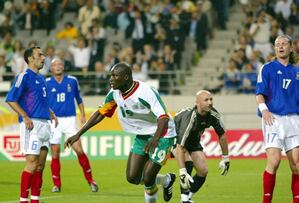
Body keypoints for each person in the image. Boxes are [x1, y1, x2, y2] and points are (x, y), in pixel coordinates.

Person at [65, 62, 176, 203]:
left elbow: (163, 118)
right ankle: (166, 180)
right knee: (132, 177)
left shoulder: (145, 92)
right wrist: (78, 134)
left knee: (148, 177)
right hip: (143, 135)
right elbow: (101, 113)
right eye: (111, 75)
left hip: (163, 134)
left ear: (126, 77)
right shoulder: (114, 94)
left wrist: (155, 139)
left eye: (115, 76)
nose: (111, 79)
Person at [255, 35, 299, 203]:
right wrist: (265, 110)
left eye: (284, 44)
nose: (280, 46)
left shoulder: (298, 73)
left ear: (291, 47)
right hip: (272, 119)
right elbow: (259, 94)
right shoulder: (267, 69)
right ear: (275, 49)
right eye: (277, 44)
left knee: (296, 165)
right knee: (274, 161)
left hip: (292, 120)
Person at [5, 46, 58, 203]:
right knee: (31, 164)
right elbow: (11, 99)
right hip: (32, 125)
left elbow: (39, 100)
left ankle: (35, 200)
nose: (43, 57)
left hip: (45, 124)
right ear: (30, 59)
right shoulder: (23, 76)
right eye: (39, 55)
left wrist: (51, 112)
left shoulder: (42, 78)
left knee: (40, 165)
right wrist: (25, 116)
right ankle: (23, 200)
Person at [46, 58, 98, 192]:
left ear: (63, 67)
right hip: (54, 121)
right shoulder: (46, 83)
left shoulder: (72, 80)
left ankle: (91, 180)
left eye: (59, 64)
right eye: (54, 65)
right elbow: (43, 102)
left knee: (79, 150)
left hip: (70, 120)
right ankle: (56, 184)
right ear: (51, 69)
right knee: (55, 153)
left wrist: (82, 114)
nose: (57, 66)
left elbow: (79, 99)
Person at [172, 90, 230, 203]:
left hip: (193, 142)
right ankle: (183, 200)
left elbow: (222, 135)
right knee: (187, 163)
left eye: (211, 99)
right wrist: (182, 171)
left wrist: (225, 158)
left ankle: (188, 197)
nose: (210, 102)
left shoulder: (213, 115)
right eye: (206, 100)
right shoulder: (190, 118)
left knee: (203, 171)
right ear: (197, 103)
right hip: (175, 139)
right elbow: (180, 146)